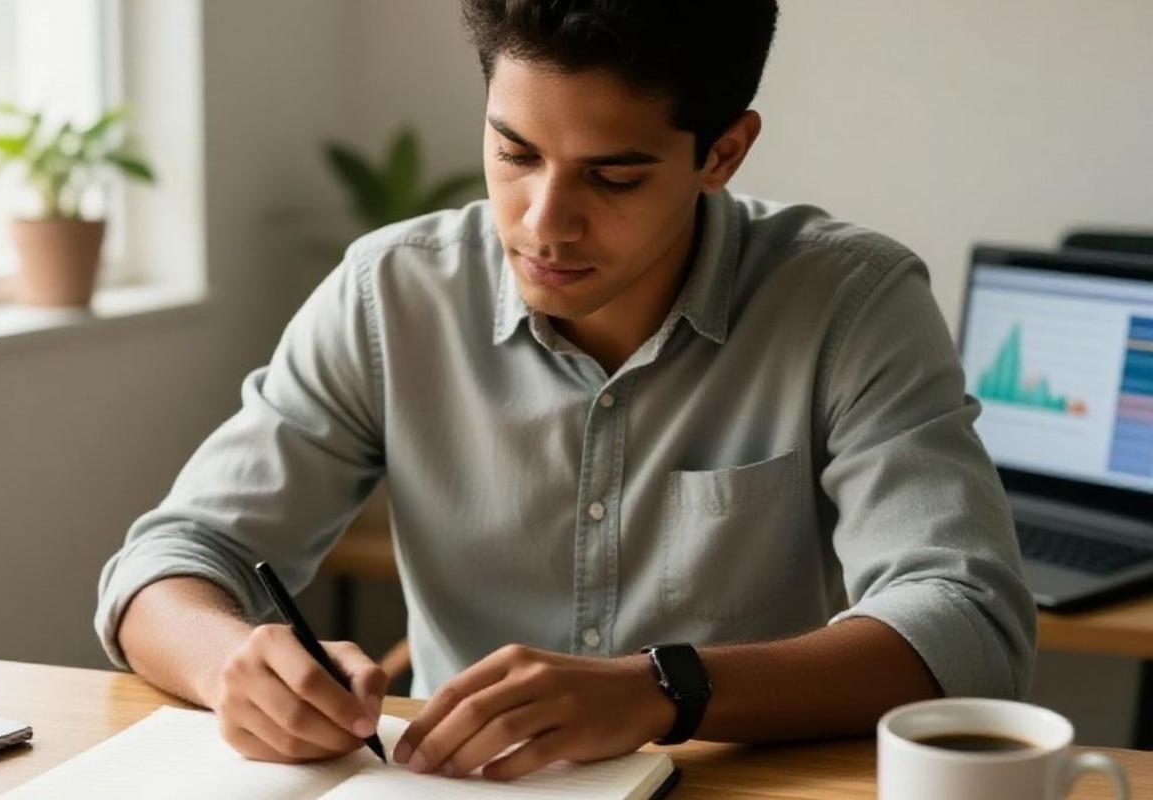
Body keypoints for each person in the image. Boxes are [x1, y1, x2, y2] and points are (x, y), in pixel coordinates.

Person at [96, 0, 1036, 783]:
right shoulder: (391, 294)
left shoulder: (850, 303)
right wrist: (233, 665)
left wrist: (662, 690)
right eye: (514, 155)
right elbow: (170, 561)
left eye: (614, 176)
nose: (545, 225)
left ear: (723, 153)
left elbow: (967, 619)